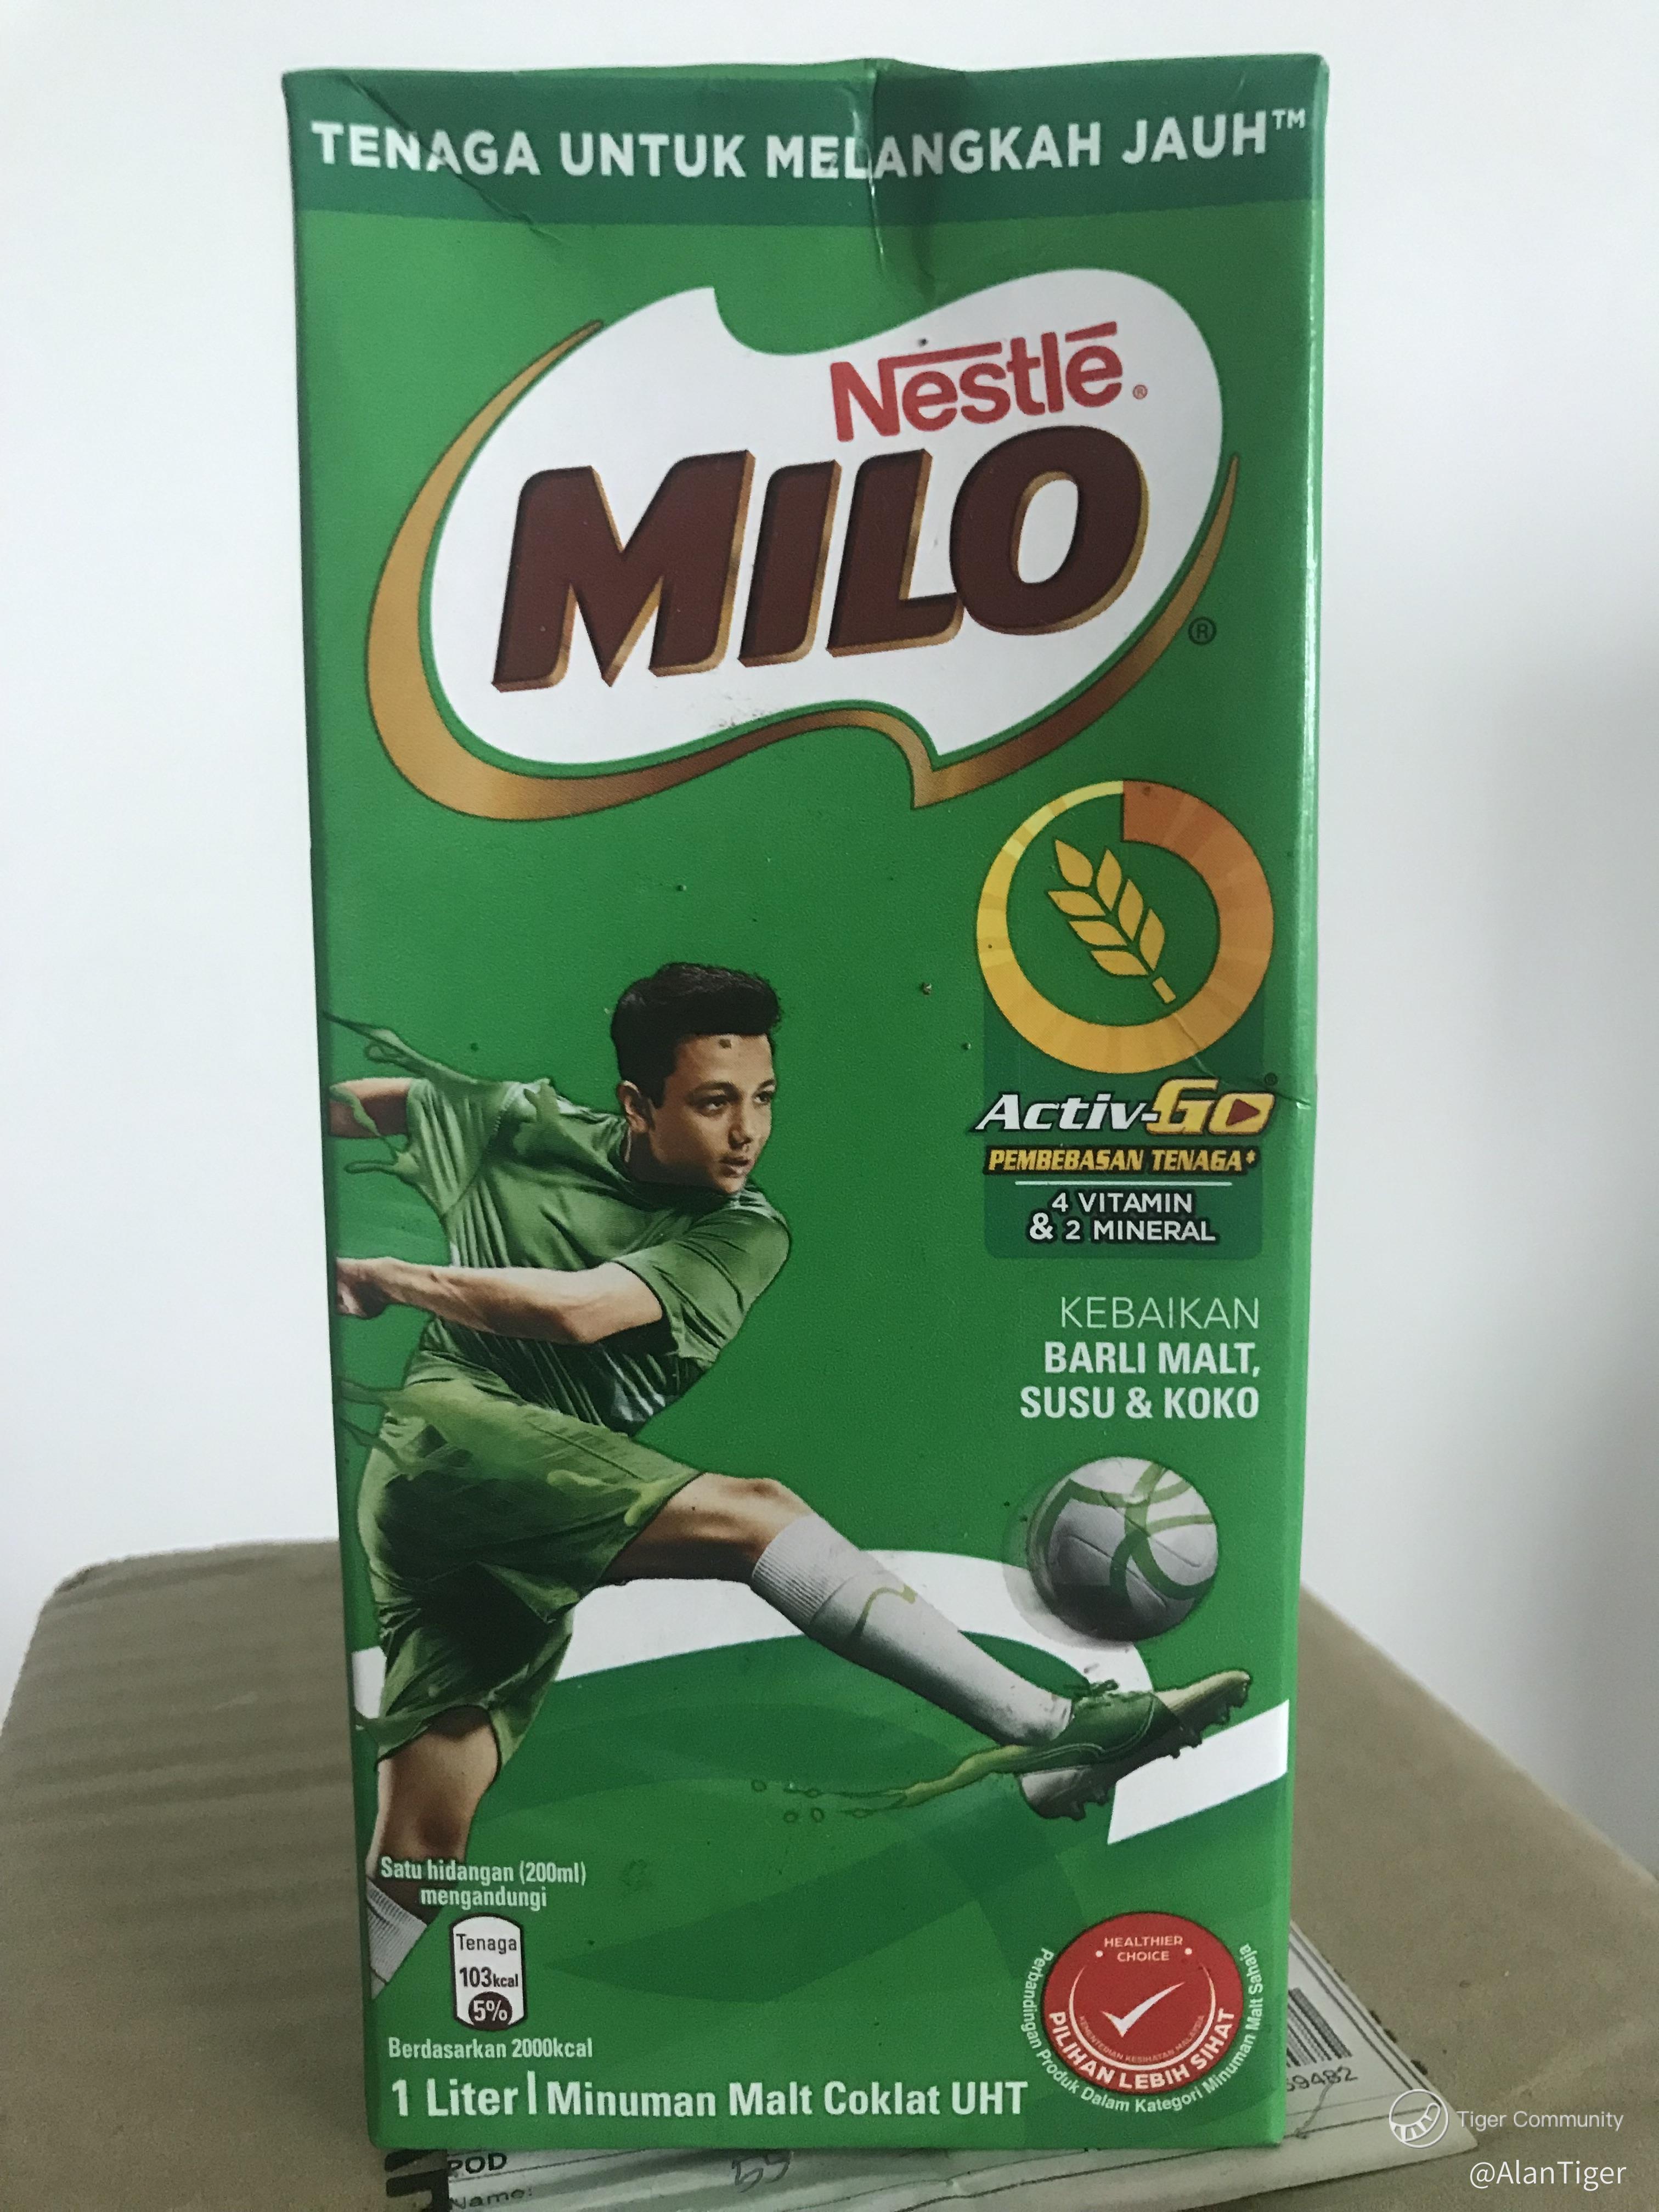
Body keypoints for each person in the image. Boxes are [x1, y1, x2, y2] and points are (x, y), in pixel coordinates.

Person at [329, 963, 1248, 1993]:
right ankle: (1045, 1728)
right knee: (756, 1516)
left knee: (424, 1852)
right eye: (714, 1102)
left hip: (517, 1517)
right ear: (638, 1103)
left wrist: (388, 1276)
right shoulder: (516, 1125)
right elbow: (354, 1107)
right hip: (448, 1442)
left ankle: (367, 2017)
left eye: (763, 1099)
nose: (748, 1132)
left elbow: (581, 1311)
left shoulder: (741, 1233)